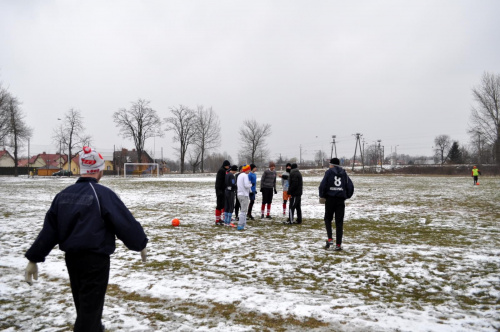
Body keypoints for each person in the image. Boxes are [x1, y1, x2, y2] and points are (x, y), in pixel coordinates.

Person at [24, 146, 148, 332]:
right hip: (95, 261)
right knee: (89, 311)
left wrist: (34, 257)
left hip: (73, 261)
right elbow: (124, 223)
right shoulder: (102, 194)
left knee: (85, 305)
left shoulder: (63, 195)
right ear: (98, 171)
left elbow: (49, 231)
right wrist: (140, 243)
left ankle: (94, 327)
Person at [319, 158, 354, 251]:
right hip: (340, 200)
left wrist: (322, 195)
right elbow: (350, 186)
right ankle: (338, 244)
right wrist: (346, 196)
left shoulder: (329, 172)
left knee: (327, 219)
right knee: (339, 223)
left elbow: (323, 185)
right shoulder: (344, 173)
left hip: (330, 199)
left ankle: (330, 238)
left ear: (332, 165)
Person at [237, 164, 253, 230]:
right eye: (249, 169)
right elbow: (246, 185)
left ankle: (243, 224)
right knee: (243, 211)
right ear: (247, 169)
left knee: (243, 210)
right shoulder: (245, 176)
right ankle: (241, 225)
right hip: (244, 195)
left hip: (239, 194)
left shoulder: (240, 175)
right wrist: (251, 185)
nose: (249, 170)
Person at [215, 160, 231, 225]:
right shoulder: (221, 171)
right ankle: (217, 220)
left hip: (223, 190)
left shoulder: (224, 171)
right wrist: (219, 191)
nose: (229, 166)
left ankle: (220, 219)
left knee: (222, 205)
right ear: (225, 165)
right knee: (219, 205)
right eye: (228, 165)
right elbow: (219, 182)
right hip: (220, 191)